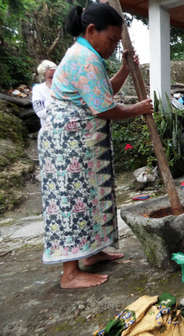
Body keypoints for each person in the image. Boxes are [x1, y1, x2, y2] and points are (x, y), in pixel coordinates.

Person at [38, 3, 153, 289]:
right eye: (112, 40)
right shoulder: (84, 58)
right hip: (67, 145)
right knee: (71, 202)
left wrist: (125, 69)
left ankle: (92, 253)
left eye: (117, 41)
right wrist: (137, 108)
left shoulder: (89, 56)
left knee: (91, 198)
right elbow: (103, 108)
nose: (114, 47)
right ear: (91, 30)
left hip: (81, 142)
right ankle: (70, 273)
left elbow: (102, 91)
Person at [32, 60, 57, 128]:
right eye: (50, 77)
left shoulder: (64, 88)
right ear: (44, 76)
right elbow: (40, 112)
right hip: (48, 128)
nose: (54, 80)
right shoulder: (38, 89)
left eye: (56, 76)